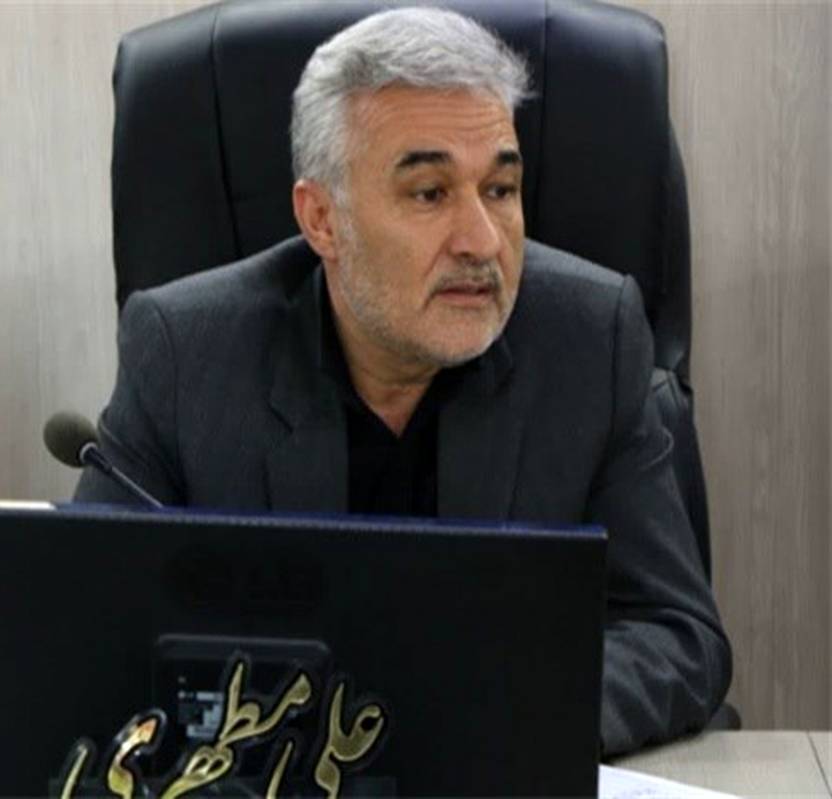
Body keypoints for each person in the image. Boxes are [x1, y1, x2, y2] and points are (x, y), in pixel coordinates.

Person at [76, 7, 731, 756]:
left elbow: (677, 634)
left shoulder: (591, 340)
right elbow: (89, 630)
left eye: (501, 189)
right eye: (429, 194)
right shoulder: (185, 355)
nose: (482, 241)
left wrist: (486, 723)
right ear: (322, 220)